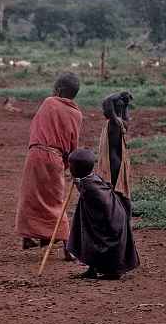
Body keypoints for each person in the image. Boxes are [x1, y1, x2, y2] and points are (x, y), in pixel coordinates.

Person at [15, 73, 83, 253]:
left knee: (30, 195)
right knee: (54, 198)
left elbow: (36, 127)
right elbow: (72, 143)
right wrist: (67, 164)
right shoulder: (76, 114)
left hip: (36, 154)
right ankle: (50, 240)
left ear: (58, 90)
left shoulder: (49, 103)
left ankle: (59, 240)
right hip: (56, 158)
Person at [65, 148, 140, 280]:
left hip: (110, 223)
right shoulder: (91, 178)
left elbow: (90, 192)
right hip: (106, 220)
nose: (69, 169)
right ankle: (92, 268)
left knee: (96, 241)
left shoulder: (88, 185)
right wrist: (78, 183)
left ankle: (113, 271)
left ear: (78, 169)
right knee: (87, 237)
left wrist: (78, 183)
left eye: (71, 166)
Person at [96, 91, 133, 198]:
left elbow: (107, 102)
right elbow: (107, 102)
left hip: (114, 161)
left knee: (113, 186)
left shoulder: (116, 122)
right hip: (116, 160)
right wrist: (121, 96)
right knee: (116, 186)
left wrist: (121, 98)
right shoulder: (118, 123)